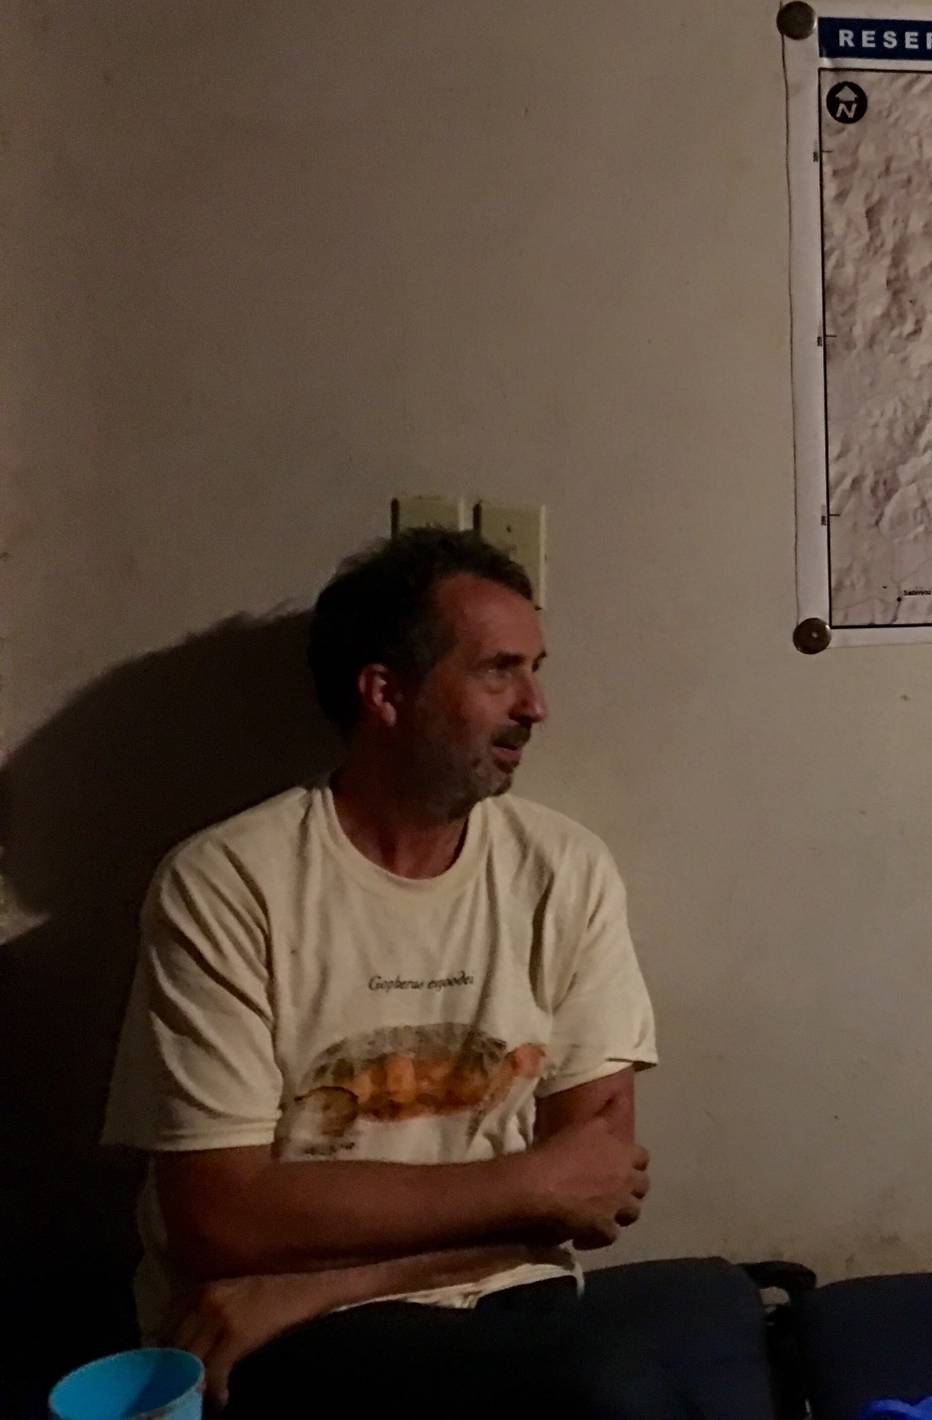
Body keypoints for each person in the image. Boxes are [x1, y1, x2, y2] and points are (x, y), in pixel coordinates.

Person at [102, 530, 686, 1416]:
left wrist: (317, 1281)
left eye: (535, 670)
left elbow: (598, 1194)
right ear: (385, 692)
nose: (536, 706)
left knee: (623, 1388)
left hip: (469, 1300)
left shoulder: (564, 871)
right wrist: (531, 1185)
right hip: (274, 1337)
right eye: (499, 672)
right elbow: (219, 1220)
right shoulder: (227, 883)